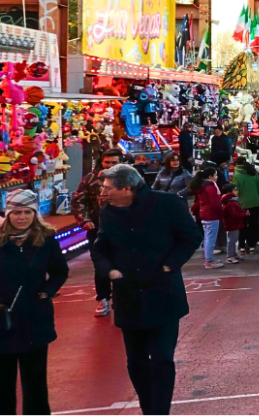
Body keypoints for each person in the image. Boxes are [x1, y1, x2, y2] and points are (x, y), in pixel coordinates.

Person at [92, 164, 201, 416]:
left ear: (127, 188)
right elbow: (100, 248)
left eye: (108, 188)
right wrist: (108, 270)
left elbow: (191, 236)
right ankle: (148, 408)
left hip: (163, 294)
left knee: (162, 358)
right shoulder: (107, 213)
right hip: (128, 295)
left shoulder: (168, 204)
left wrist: (169, 265)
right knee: (137, 362)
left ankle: (159, 412)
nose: (103, 192)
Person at [0, 190, 68, 415]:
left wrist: (47, 292)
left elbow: (59, 271)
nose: (22, 217)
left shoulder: (46, 239)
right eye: (17, 212)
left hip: (35, 320)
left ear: (35, 213)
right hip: (3, 322)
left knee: (36, 384)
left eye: (27, 211)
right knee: (3, 387)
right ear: (8, 213)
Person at [71, 148, 123, 317]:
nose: (110, 165)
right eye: (107, 162)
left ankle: (122, 299)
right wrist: (84, 220)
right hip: (98, 230)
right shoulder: (90, 179)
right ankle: (103, 298)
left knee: (124, 263)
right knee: (101, 265)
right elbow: (79, 201)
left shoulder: (129, 178)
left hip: (124, 229)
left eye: (114, 162)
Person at [189, 167, 225, 269]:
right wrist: (221, 212)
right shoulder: (210, 187)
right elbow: (215, 203)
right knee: (210, 238)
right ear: (210, 176)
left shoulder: (201, 186)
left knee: (207, 237)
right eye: (215, 175)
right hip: (211, 214)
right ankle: (209, 261)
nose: (217, 177)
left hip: (204, 213)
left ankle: (209, 259)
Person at [231, 156, 259, 256]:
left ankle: (241, 246)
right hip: (255, 202)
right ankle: (251, 246)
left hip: (242, 204)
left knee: (242, 226)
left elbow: (236, 190)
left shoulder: (237, 175)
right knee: (253, 225)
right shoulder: (254, 173)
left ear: (237, 165)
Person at [220, 184, 248, 264]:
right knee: (232, 240)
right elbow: (234, 214)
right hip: (232, 224)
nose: (237, 191)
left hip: (234, 224)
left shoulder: (231, 201)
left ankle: (233, 254)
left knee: (234, 240)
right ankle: (230, 256)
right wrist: (245, 214)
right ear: (229, 192)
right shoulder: (230, 203)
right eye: (235, 190)